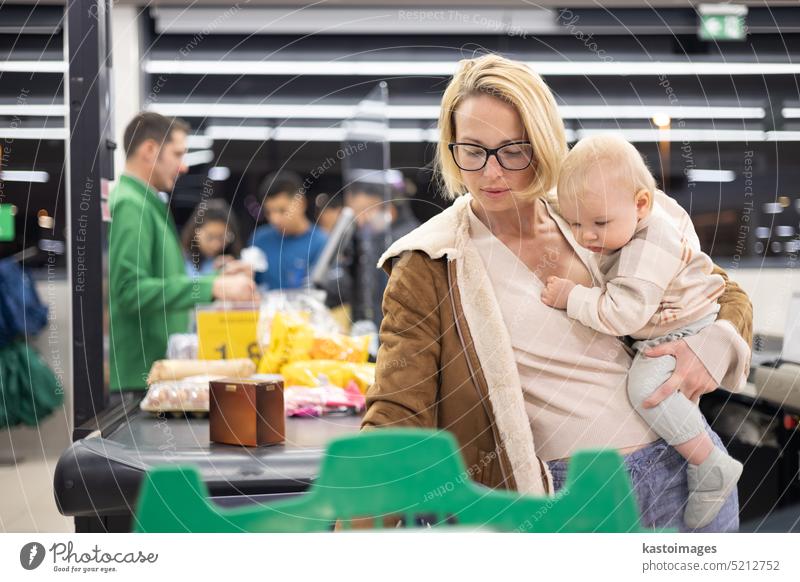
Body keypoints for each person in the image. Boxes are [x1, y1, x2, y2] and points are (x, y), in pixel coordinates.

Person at [361, 54, 752, 532]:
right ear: (451, 148)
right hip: (574, 498)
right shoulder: (431, 260)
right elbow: (397, 412)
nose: (492, 174)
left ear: (542, 143)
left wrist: (717, 341)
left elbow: (718, 288)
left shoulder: (587, 210)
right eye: (472, 150)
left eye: (513, 150)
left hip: (686, 468)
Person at [540, 134, 744, 529]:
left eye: (599, 223)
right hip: (673, 322)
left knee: (647, 388)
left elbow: (623, 314)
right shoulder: (622, 221)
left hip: (685, 325)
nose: (586, 237)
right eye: (575, 222)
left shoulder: (650, 241)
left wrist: (572, 297)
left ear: (641, 204)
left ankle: (709, 463)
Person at [109, 112, 255, 395]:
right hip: (139, 377)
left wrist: (218, 276)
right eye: (177, 154)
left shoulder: (147, 203)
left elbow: (165, 279)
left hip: (154, 372)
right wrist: (213, 286)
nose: (184, 166)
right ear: (150, 150)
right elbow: (129, 290)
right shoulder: (131, 205)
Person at [251, 171, 328, 289]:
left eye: (282, 210)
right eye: (268, 212)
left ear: (301, 203)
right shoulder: (260, 239)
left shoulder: (322, 243)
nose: (274, 219)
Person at [181, 198, 243, 276]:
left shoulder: (233, 260)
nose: (216, 245)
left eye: (222, 238)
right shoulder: (182, 260)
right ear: (195, 232)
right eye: (210, 237)